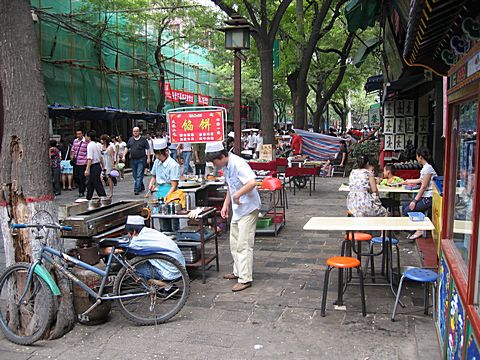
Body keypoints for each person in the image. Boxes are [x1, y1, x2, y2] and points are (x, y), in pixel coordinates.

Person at [206, 142, 261, 292]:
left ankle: (245, 278)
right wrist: (225, 205)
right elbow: (231, 187)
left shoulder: (238, 163)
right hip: (238, 209)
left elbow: (252, 182)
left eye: (215, 162)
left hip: (249, 208)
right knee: (234, 242)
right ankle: (238, 271)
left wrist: (238, 194)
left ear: (222, 156)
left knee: (244, 244)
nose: (215, 166)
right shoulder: (226, 166)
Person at [121, 215, 185, 283]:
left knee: (132, 270)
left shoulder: (140, 238)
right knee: (142, 264)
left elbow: (128, 247)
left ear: (133, 231)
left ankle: (166, 286)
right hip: (179, 269)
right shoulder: (150, 232)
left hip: (171, 272)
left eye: (128, 232)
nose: (128, 235)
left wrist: (114, 249)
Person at [402, 147, 438, 240]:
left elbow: (423, 186)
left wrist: (415, 200)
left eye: (416, 156)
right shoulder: (426, 168)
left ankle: (419, 229)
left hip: (429, 198)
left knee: (407, 210)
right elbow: (420, 180)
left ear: (420, 157)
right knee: (404, 205)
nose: (416, 158)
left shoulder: (428, 169)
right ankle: (417, 228)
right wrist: (407, 181)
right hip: (425, 197)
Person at [148, 138, 181, 232]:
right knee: (162, 220)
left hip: (171, 194)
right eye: (156, 155)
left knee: (173, 221)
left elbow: (174, 185)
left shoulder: (173, 165)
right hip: (160, 192)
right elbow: (154, 176)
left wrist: (166, 198)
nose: (158, 157)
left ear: (166, 152)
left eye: (159, 155)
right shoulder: (157, 162)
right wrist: (151, 184)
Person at [123, 127, 151, 195]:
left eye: (136, 131)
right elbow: (127, 147)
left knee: (139, 174)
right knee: (135, 175)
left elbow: (148, 149)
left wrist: (148, 158)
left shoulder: (143, 140)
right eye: (134, 131)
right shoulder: (131, 139)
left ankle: (136, 188)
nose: (135, 132)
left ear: (139, 132)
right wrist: (124, 155)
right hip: (133, 160)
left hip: (141, 159)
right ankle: (141, 185)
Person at [84, 130, 107, 200]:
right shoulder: (97, 144)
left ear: (89, 137)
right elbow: (100, 157)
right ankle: (88, 198)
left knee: (97, 183)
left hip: (93, 166)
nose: (85, 137)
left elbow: (90, 158)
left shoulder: (90, 145)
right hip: (97, 166)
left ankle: (103, 197)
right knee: (90, 184)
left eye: (85, 136)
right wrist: (103, 166)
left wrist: (87, 169)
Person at [71, 129, 88, 197]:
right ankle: (82, 185)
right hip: (76, 162)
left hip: (83, 162)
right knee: (75, 177)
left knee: (81, 177)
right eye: (77, 134)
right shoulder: (75, 141)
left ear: (82, 134)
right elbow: (73, 149)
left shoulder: (86, 142)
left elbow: (87, 151)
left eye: (79, 134)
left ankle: (81, 191)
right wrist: (72, 156)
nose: (78, 135)